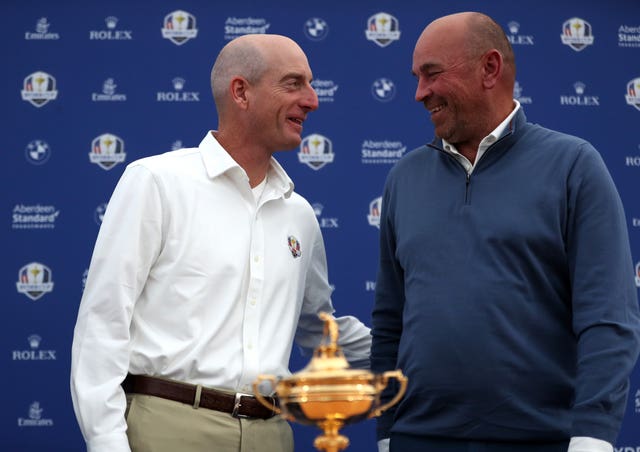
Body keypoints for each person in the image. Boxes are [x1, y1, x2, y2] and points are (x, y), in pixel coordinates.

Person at [70, 34, 371, 452]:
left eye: (311, 83)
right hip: (167, 430)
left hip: (273, 434)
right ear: (241, 92)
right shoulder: (156, 183)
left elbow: (318, 327)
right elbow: (103, 324)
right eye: (293, 83)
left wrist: (421, 351)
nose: (312, 100)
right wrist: (107, 444)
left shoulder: (298, 212)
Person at [371, 11, 640, 452]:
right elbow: (389, 322)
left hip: (543, 441)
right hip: (418, 441)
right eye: (417, 77)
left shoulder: (573, 166)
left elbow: (607, 318)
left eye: (432, 74)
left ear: (490, 69)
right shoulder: (404, 177)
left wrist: (592, 437)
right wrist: (386, 432)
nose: (420, 93)